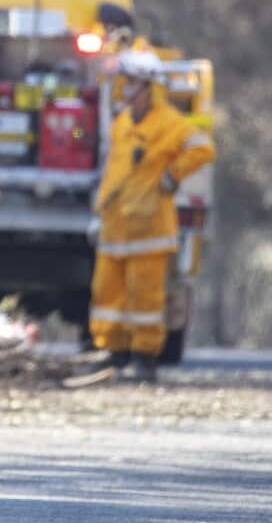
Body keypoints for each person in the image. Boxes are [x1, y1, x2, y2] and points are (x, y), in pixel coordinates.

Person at [88, 49, 215, 382]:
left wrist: (173, 175)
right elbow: (112, 172)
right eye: (125, 81)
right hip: (115, 226)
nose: (126, 89)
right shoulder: (122, 122)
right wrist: (99, 211)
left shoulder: (170, 122)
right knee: (107, 293)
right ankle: (112, 353)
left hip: (150, 228)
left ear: (149, 87)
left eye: (132, 82)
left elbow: (203, 148)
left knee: (146, 297)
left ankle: (145, 359)